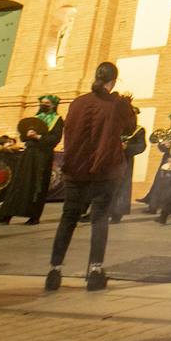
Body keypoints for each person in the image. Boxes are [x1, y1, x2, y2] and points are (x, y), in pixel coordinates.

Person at [45, 62, 135, 292]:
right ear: (113, 81)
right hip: (104, 170)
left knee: (68, 218)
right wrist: (126, 103)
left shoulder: (78, 102)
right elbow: (130, 128)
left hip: (75, 169)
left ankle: (54, 272)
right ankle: (95, 272)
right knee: (99, 218)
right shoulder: (118, 103)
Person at [0, 94, 63, 225]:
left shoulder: (57, 120)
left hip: (42, 157)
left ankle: (34, 217)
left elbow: (55, 139)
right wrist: (27, 135)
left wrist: (39, 137)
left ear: (53, 105)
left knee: (37, 186)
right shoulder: (35, 118)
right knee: (19, 184)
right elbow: (23, 135)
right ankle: (5, 215)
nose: (43, 105)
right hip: (28, 155)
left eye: (47, 103)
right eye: (42, 103)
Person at [112, 105, 146, 223]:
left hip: (126, 161)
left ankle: (117, 213)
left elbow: (141, 147)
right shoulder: (116, 127)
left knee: (122, 186)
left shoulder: (138, 130)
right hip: (111, 159)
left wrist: (128, 147)